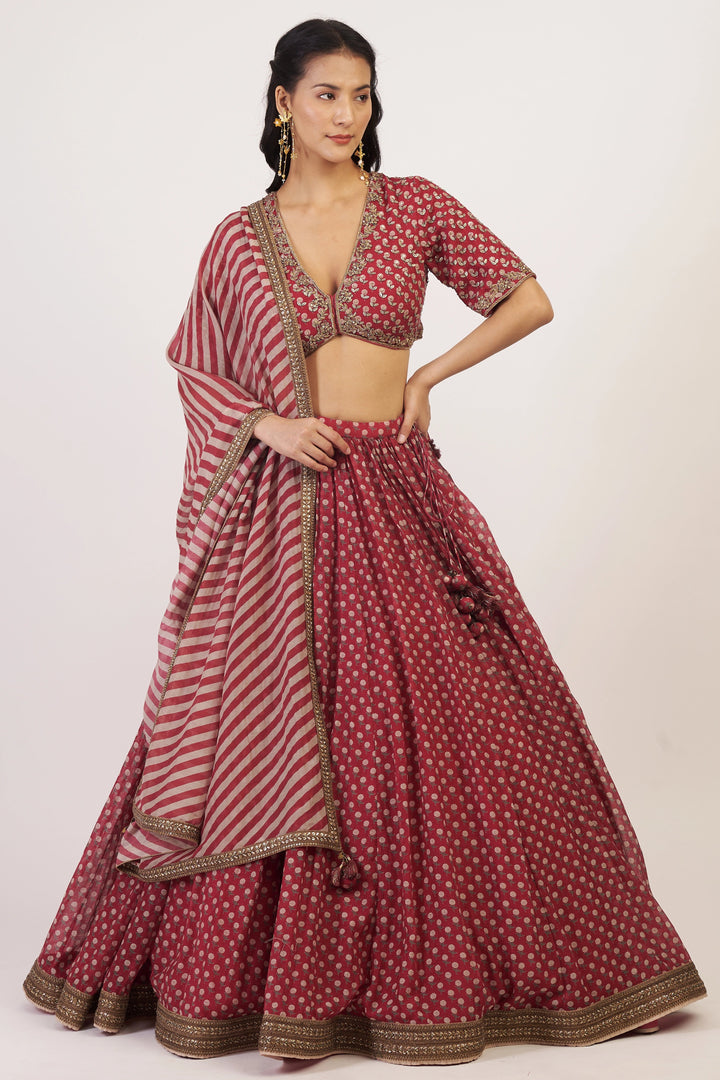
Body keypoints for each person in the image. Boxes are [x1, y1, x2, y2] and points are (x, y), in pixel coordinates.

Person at [23, 17, 706, 1067]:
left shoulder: (416, 206)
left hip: (393, 490)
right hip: (281, 510)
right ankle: (277, 992)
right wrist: (264, 423)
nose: (349, 114)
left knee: (455, 720)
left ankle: (561, 963)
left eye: (363, 95)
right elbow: (199, 370)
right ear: (283, 102)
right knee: (263, 719)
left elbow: (528, 299)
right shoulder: (237, 237)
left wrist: (428, 378)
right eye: (328, 94)